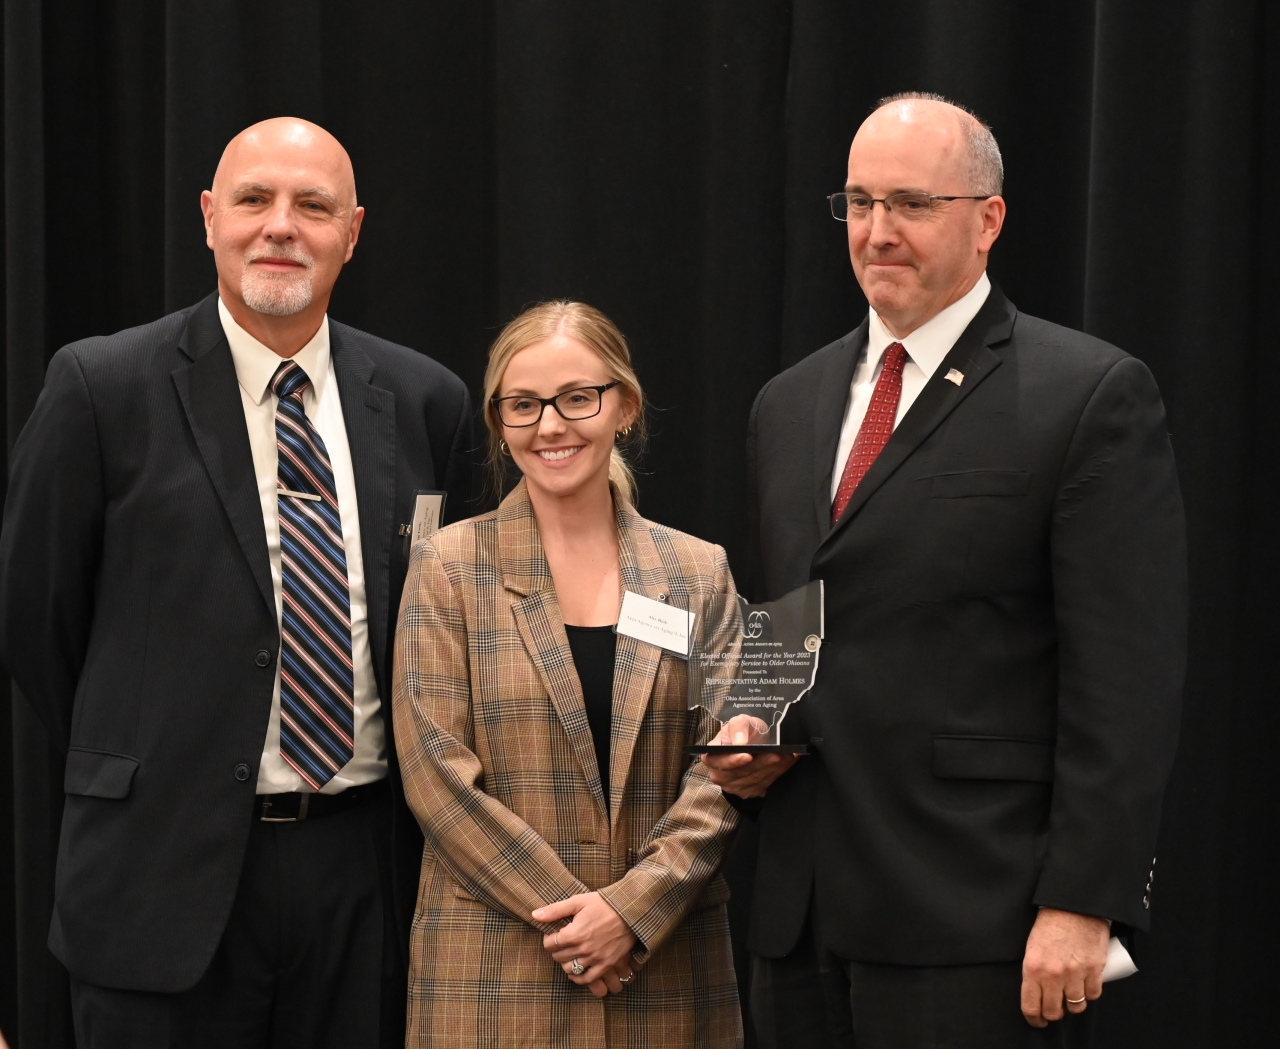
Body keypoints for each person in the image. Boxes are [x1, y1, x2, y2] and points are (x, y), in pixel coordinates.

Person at [704, 93, 1187, 1048]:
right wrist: (751, 719)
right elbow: (788, 607)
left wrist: (1084, 902)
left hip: (981, 915)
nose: (878, 231)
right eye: (858, 203)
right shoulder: (787, 403)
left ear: (988, 220)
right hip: (799, 916)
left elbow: (1126, 683)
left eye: (912, 204)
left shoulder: (1086, 393)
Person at [0, 117, 473, 1048]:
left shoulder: (425, 400)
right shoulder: (102, 386)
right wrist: (150, 748)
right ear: (211, 218)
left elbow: (442, 618)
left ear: (354, 231)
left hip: (364, 873)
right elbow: (35, 622)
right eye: (254, 200)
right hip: (158, 871)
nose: (280, 226)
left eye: (312, 206)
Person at [392, 301, 743, 1047]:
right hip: (494, 973)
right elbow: (435, 776)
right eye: (523, 405)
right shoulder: (449, 567)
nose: (550, 426)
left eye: (576, 397)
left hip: (666, 971)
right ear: (498, 422)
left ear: (625, 406)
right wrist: (581, 920)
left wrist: (633, 912)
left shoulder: (698, 572)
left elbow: (723, 768)